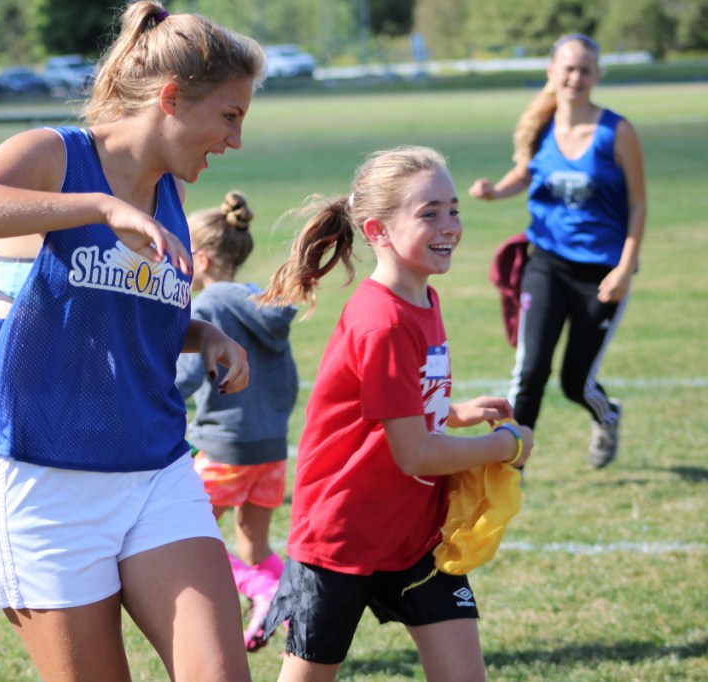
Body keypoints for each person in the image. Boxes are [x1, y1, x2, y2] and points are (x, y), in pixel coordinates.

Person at [0, 3, 264, 680]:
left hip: (154, 470)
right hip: (39, 475)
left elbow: (123, 313)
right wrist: (101, 207)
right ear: (170, 98)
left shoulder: (170, 193)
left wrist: (205, 334)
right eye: (229, 116)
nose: (234, 140)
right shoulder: (57, 155)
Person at [252, 146, 535, 681]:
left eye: (453, 209)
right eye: (428, 213)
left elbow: (395, 409)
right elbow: (415, 454)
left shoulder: (422, 298)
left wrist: (452, 412)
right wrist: (507, 446)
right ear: (379, 230)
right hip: (341, 542)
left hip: (414, 538)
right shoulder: (381, 319)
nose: (449, 225)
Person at [468, 34, 646, 469]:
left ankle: (608, 415)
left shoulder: (616, 132)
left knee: (575, 383)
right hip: (546, 264)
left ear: (597, 75)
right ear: (552, 72)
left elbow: (638, 203)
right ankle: (512, 467)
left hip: (601, 273)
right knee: (529, 372)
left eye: (585, 69)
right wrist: (494, 192)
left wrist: (624, 268)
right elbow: (524, 174)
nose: (576, 77)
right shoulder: (542, 127)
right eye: (568, 68)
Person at [175, 191, 298, 653]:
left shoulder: (208, 306)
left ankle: (264, 593)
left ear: (200, 258)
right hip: (269, 450)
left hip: (225, 449)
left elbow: (186, 377)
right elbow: (287, 377)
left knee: (186, 538)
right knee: (255, 548)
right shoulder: (263, 302)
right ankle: (296, 609)